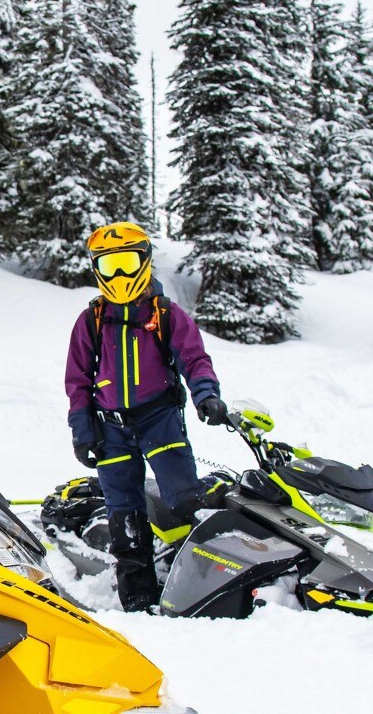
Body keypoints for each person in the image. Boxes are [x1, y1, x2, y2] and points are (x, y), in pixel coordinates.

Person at [64, 222, 228, 613]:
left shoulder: (166, 314)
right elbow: (77, 380)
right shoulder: (92, 321)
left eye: (126, 263)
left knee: (184, 500)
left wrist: (207, 395)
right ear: (96, 269)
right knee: (124, 509)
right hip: (110, 428)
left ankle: (200, 583)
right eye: (109, 266)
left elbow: (194, 359)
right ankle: (137, 597)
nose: (119, 274)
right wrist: (82, 431)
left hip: (160, 418)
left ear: (145, 261)